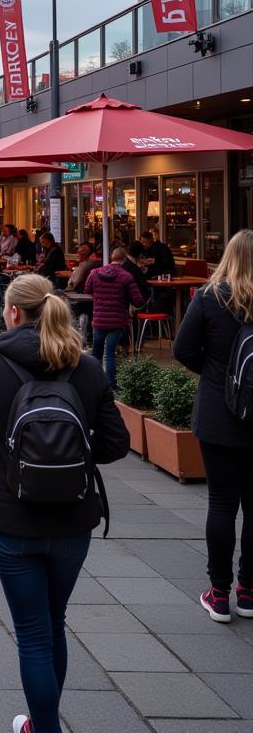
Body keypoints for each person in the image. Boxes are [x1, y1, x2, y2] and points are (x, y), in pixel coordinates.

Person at [0, 273, 129, 733]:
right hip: (73, 519)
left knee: (32, 634)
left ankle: (44, 727)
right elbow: (115, 445)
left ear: (13, 313)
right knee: (54, 623)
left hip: (12, 521)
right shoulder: (86, 368)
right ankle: (41, 722)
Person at [173, 229, 253, 623]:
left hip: (220, 415)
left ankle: (219, 594)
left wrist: (216, 372)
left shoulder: (209, 297)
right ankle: (250, 590)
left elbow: (181, 349)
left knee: (222, 503)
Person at [84, 247, 144, 389]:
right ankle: (111, 386)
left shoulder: (94, 273)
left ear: (111, 258)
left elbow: (87, 290)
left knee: (96, 354)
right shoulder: (126, 276)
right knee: (109, 353)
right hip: (117, 321)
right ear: (124, 260)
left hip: (99, 319)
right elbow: (137, 300)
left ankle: (92, 382)